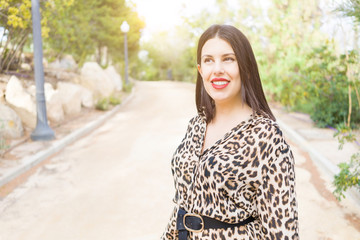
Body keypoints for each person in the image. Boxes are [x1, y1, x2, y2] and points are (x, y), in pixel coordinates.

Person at [161, 24, 299, 240]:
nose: (217, 69)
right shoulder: (197, 125)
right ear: (200, 70)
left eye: (228, 59)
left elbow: (282, 231)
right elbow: (184, 205)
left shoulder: (266, 136)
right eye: (208, 60)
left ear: (245, 67)